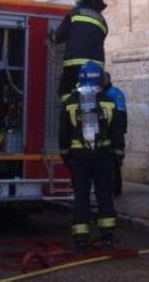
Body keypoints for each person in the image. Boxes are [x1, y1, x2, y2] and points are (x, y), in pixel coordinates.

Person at [59, 62, 126, 253]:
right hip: (103, 155)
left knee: (81, 195)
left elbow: (63, 134)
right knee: (104, 194)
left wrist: (65, 155)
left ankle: (81, 240)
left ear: (80, 78)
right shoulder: (109, 102)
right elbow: (117, 134)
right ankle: (107, 238)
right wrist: (118, 156)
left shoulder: (70, 103)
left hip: (79, 155)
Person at [52, 0, 108, 102]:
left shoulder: (74, 14)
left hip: (74, 63)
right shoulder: (102, 21)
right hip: (96, 67)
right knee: (96, 94)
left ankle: (69, 112)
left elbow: (60, 36)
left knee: (65, 91)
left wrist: (52, 37)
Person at [102, 71, 127, 197]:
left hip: (113, 133)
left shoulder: (112, 94)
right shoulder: (115, 93)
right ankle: (114, 190)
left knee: (114, 163)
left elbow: (121, 115)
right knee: (114, 164)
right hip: (113, 132)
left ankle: (114, 190)